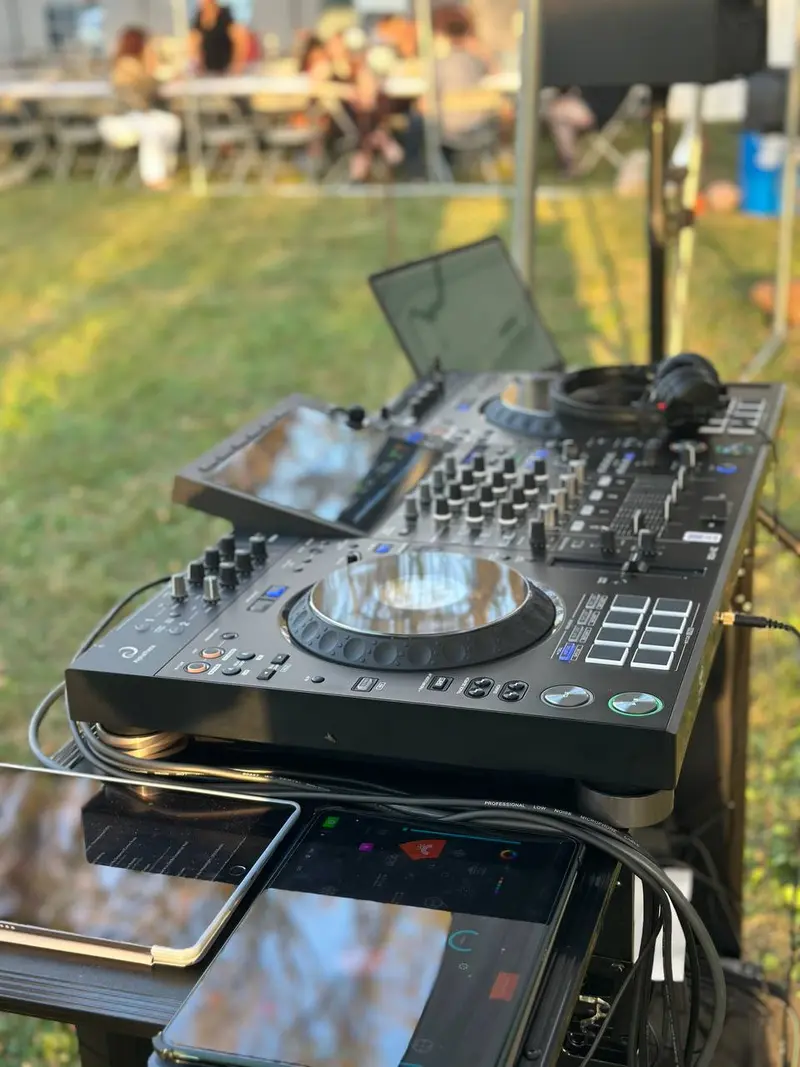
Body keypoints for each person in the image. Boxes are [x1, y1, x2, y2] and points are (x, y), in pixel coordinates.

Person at [312, 11, 404, 183]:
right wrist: (345, 91)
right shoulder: (326, 66)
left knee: (374, 100)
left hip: (357, 118)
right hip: (338, 120)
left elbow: (368, 88)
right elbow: (316, 85)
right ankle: (379, 140)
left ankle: (366, 150)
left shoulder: (357, 68)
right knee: (367, 106)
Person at [98, 27, 182, 191]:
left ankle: (167, 167)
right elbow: (146, 87)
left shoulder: (133, 63)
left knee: (171, 123)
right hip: (119, 120)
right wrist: (156, 68)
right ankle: (154, 178)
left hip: (134, 117)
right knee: (151, 129)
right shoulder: (127, 64)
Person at [189, 1, 250, 75]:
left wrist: (236, 68)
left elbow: (240, 41)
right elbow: (194, 44)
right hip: (208, 72)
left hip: (226, 70)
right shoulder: (198, 18)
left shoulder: (225, 15)